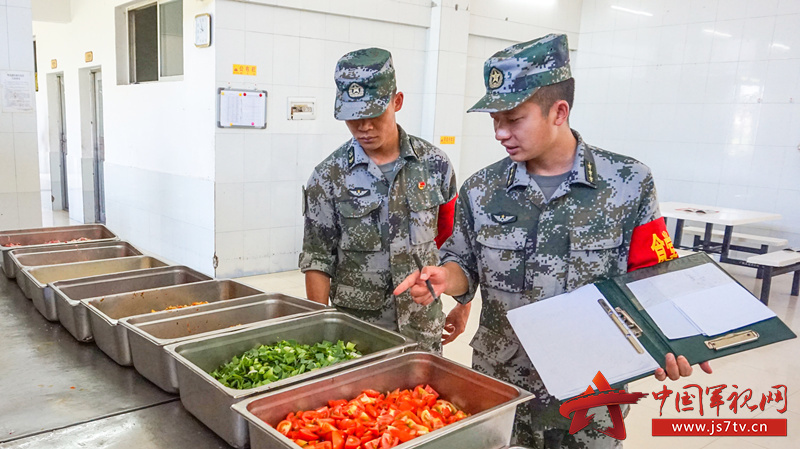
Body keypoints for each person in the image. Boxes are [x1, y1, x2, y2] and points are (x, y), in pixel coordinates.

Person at [394, 34, 712, 448]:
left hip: (593, 390)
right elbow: (463, 265)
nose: (499, 132)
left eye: (513, 119)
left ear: (558, 112)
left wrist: (672, 340)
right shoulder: (483, 189)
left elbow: (651, 276)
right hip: (502, 384)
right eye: (494, 120)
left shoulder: (628, 183)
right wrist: (443, 278)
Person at [299, 47, 469, 353]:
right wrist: (318, 331)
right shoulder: (328, 176)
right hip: (358, 332)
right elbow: (317, 258)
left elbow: (454, 244)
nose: (364, 127)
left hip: (421, 326)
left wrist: (463, 304)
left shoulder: (435, 164)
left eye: (373, 114)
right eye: (353, 117)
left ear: (397, 101)